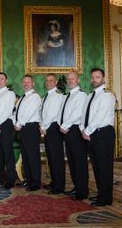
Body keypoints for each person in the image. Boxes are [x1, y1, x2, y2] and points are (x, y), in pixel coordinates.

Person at [80, 68, 116, 206]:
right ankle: (101, 194)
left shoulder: (108, 96)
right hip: (92, 134)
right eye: (93, 77)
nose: (94, 79)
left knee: (105, 167)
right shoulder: (90, 96)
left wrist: (87, 131)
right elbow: (85, 115)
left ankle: (106, 198)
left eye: (97, 77)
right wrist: (83, 129)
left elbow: (99, 116)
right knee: (96, 166)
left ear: (104, 79)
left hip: (103, 134)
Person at [59, 71, 88, 200]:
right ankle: (76, 187)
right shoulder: (67, 96)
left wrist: (65, 125)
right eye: (69, 79)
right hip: (67, 130)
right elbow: (61, 112)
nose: (70, 81)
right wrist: (62, 125)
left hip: (75, 130)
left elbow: (77, 113)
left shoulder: (81, 95)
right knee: (71, 161)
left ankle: (82, 191)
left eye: (73, 79)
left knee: (79, 161)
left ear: (78, 80)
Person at [0, 72, 17, 189]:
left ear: (5, 80)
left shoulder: (10, 94)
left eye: (1, 79)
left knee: (7, 154)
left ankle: (10, 179)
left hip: (4, 125)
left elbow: (7, 111)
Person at [14, 75, 41, 191]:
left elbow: (28, 113)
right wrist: (15, 122)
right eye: (24, 82)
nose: (26, 84)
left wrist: (18, 124)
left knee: (33, 157)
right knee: (25, 156)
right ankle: (28, 179)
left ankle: (35, 183)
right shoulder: (22, 98)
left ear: (33, 83)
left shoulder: (35, 97)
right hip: (23, 129)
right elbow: (15, 112)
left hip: (30, 128)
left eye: (28, 82)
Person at [39, 74, 65, 194]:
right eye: (47, 80)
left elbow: (52, 114)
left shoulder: (57, 96)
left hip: (53, 128)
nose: (48, 82)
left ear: (55, 83)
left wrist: (43, 126)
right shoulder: (45, 97)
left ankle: (59, 186)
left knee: (57, 158)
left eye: (51, 80)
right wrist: (42, 125)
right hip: (47, 128)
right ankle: (54, 182)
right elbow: (42, 113)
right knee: (51, 157)